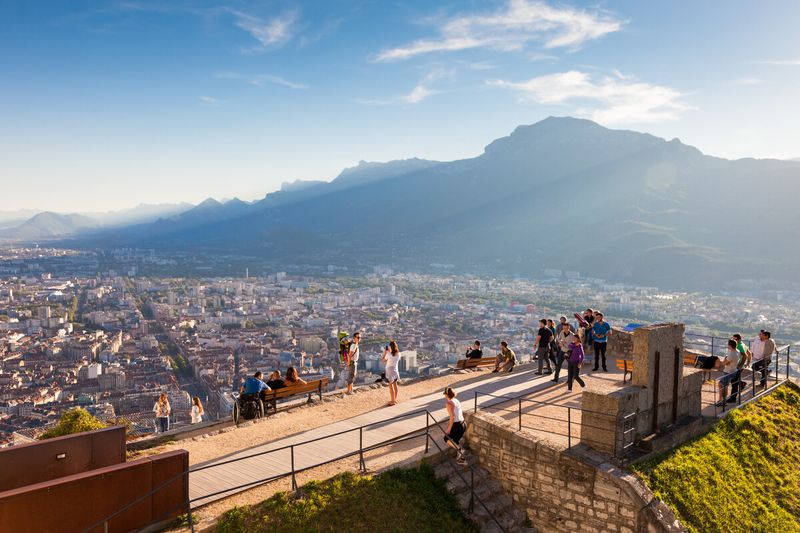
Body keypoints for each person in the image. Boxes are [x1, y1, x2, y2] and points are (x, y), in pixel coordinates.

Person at [443, 387, 467, 465]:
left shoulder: (449, 403)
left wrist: (449, 429)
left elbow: (452, 417)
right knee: (455, 441)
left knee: (446, 438)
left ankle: (460, 450)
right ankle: (462, 460)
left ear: (446, 395)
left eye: (445, 394)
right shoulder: (456, 400)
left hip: (457, 425)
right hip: (463, 423)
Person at [717, 340, 741, 406]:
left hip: (728, 371)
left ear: (730, 345)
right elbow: (728, 362)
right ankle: (722, 400)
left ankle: (721, 401)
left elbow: (724, 363)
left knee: (722, 385)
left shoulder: (731, 354)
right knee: (724, 385)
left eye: (728, 345)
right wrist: (727, 361)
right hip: (733, 370)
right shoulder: (737, 351)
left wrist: (724, 360)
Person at [382, 340, 401, 405]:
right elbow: (394, 357)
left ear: (390, 347)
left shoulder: (388, 354)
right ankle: (394, 399)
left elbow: (383, 360)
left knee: (390, 386)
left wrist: (385, 352)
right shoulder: (399, 354)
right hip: (395, 370)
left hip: (390, 370)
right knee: (395, 385)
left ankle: (392, 401)